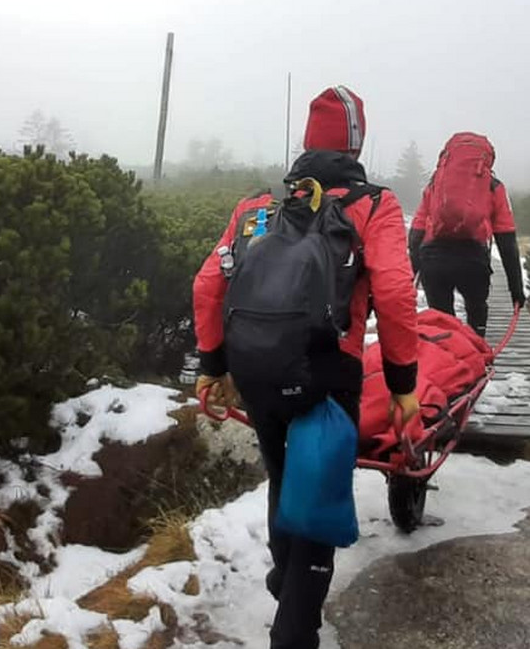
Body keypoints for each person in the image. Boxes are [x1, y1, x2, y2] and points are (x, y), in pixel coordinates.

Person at [192, 86, 420, 648]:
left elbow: (207, 285)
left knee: (283, 477)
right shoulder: (372, 206)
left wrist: (212, 365)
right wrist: (403, 384)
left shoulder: (257, 209)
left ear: (305, 142)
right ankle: (295, 628)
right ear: (357, 141)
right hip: (326, 377)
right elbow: (393, 294)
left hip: (256, 370)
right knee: (317, 495)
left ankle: (282, 577)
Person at [408, 132, 525, 337]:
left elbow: (416, 232)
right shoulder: (493, 186)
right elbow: (506, 240)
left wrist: (412, 274)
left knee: (442, 323)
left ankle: (446, 361)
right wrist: (516, 289)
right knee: (476, 312)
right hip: (473, 260)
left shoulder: (435, 184)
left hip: (434, 260)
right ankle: (479, 358)